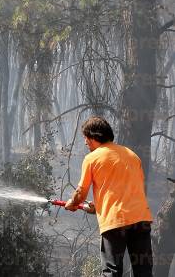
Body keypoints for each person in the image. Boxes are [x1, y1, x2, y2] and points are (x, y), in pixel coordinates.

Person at [65, 116, 153, 277]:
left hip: (115, 223)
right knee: (144, 271)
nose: (85, 142)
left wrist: (72, 203)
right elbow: (129, 191)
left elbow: (80, 193)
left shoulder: (92, 158)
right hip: (141, 220)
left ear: (93, 137)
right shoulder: (132, 155)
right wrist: (97, 207)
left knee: (111, 271)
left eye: (86, 137)